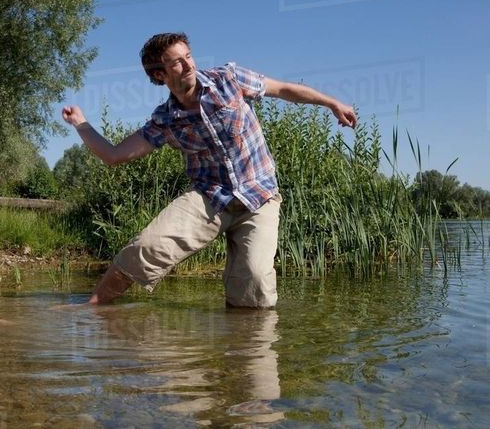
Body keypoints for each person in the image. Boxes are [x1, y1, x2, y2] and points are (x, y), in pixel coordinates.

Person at [62, 32, 356, 308]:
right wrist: (81, 124)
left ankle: (242, 347)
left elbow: (283, 89)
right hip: (210, 198)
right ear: (159, 75)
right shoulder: (166, 120)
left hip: (260, 197)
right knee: (147, 247)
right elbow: (115, 155)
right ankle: (94, 309)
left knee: (254, 283)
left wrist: (331, 103)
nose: (187, 64)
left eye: (188, 55)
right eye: (176, 61)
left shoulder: (228, 79)